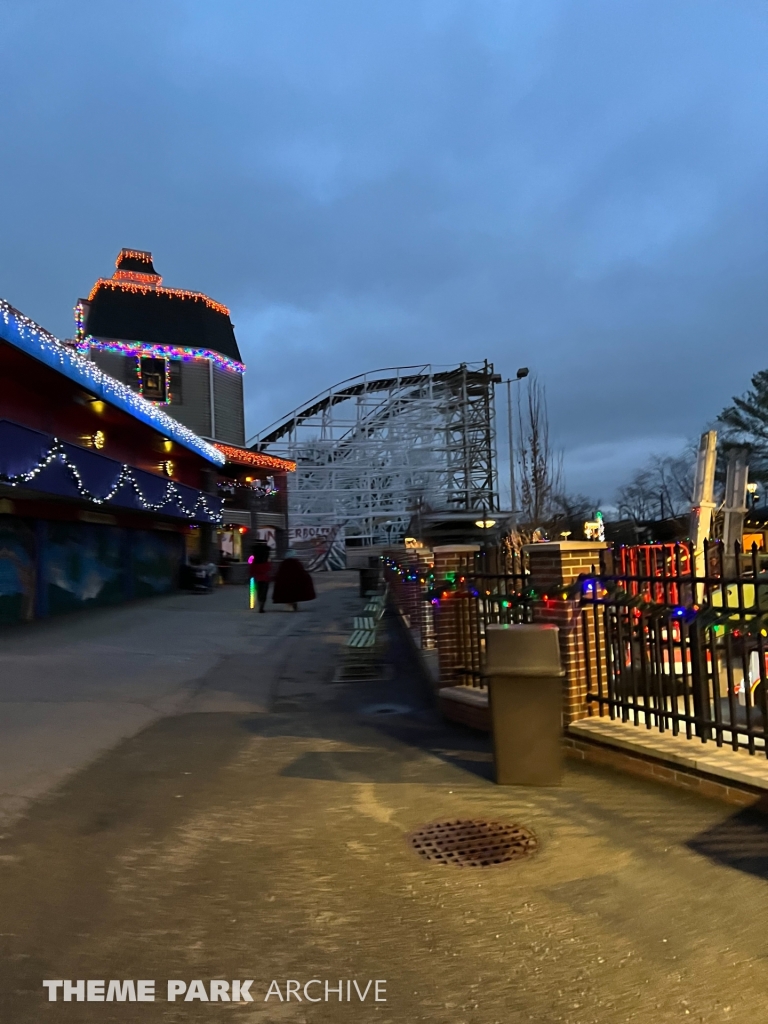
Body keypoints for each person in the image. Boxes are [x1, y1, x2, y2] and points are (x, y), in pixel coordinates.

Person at [249, 541, 272, 613]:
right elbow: (269, 569)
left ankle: (260, 605)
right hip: (265, 577)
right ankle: (262, 606)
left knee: (258, 592)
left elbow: (250, 566)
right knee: (264, 592)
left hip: (256, 577)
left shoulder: (253, 559)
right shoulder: (266, 560)